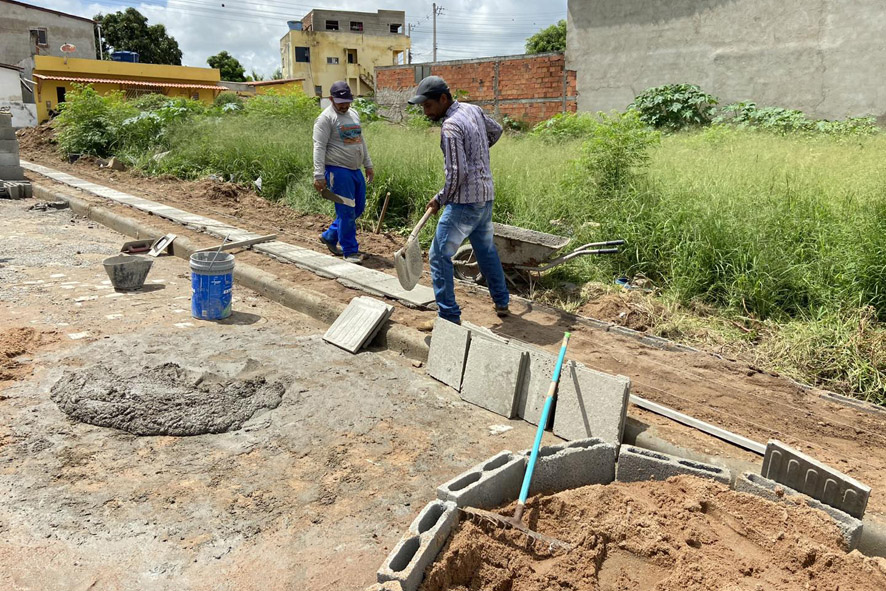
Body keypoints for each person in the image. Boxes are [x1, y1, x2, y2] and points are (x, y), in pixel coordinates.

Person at [408, 75, 509, 328]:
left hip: (464, 202)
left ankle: (448, 316)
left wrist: (440, 199)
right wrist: (479, 154)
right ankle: (502, 301)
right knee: (485, 250)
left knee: (438, 254)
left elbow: (457, 174)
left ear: (443, 99)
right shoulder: (472, 110)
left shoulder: (451, 126)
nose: (425, 111)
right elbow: (496, 130)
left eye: (428, 105)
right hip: (485, 196)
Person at [313, 80, 374, 264]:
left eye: (348, 101)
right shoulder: (325, 118)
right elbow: (319, 146)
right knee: (346, 211)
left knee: (358, 208)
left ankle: (330, 235)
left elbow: (360, 141)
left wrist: (368, 165)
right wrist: (318, 175)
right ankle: (350, 251)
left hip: (355, 170)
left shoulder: (353, 114)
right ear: (331, 99)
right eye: (341, 103)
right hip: (338, 171)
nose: (345, 106)